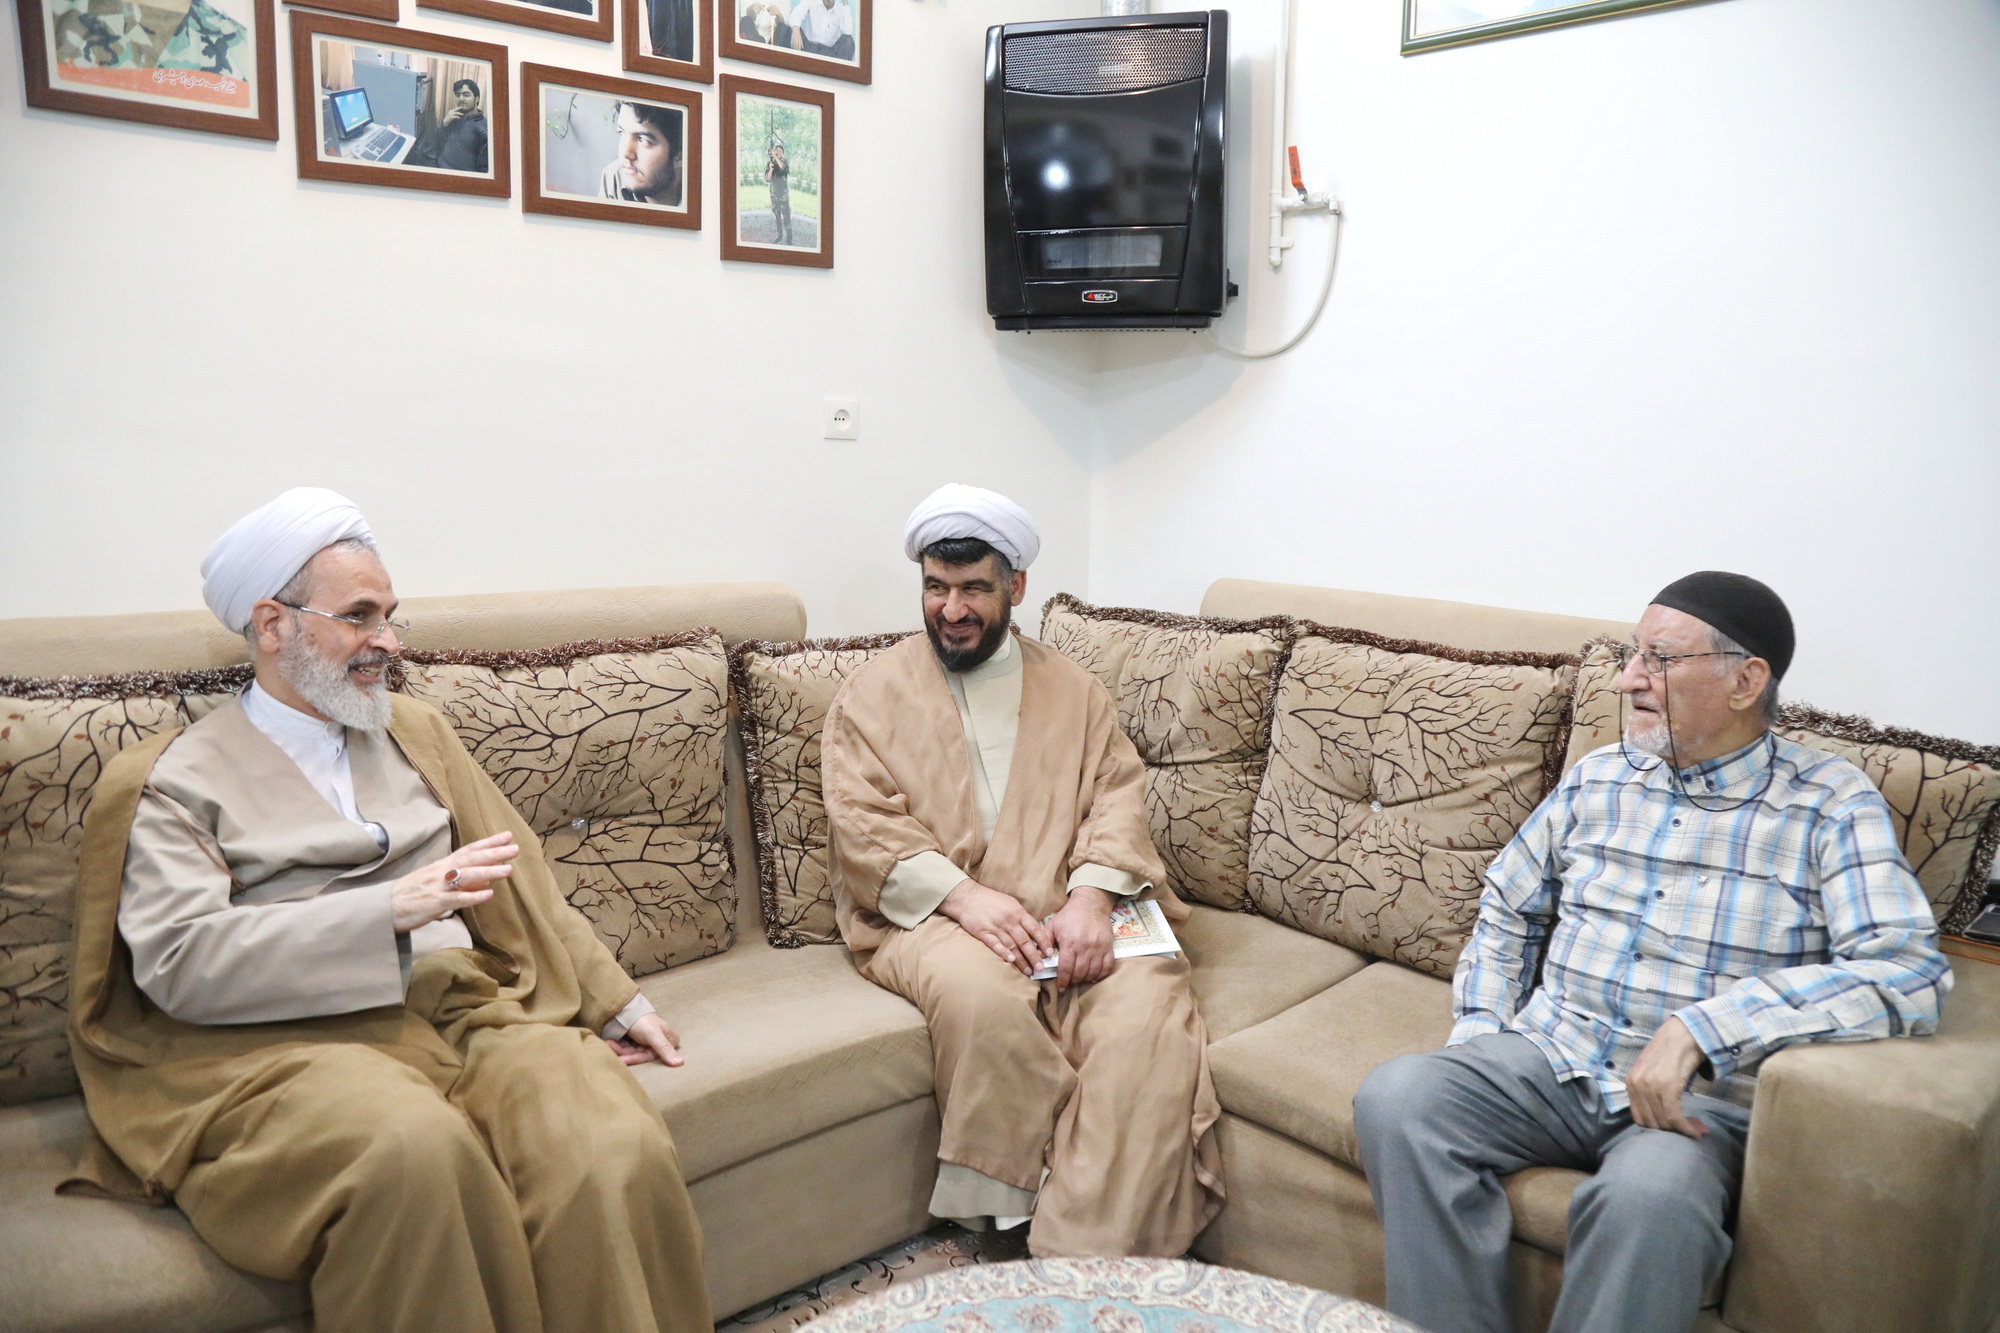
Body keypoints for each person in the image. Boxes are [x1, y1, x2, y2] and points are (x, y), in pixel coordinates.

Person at [63, 488, 709, 1333]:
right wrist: (386, 910)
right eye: (360, 617)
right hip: (283, 1043)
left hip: (456, 1008)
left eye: (390, 616)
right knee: (413, 1150)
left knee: (596, 1128)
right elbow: (184, 963)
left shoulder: (415, 732)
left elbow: (522, 878)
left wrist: (619, 1001)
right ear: (272, 624)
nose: (388, 643)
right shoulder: (171, 779)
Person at [1352, 571, 1952, 1333]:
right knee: (1399, 1097)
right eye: (1634, 655)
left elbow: (1909, 972)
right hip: (1550, 1055)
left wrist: (1703, 1028)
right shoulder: (1600, 774)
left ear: (1746, 679)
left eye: (1659, 659)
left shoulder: (1830, 803)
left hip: (1689, 1106)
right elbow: (1508, 900)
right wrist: (1482, 1031)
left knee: (1650, 1199)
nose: (1630, 678)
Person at [822, 483, 1223, 1259]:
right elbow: (863, 824)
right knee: (985, 998)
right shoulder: (869, 695)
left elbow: (1115, 796)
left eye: (973, 586)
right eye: (936, 587)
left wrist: (1091, 899)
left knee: (1146, 1017)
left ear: (1016, 586)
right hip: (933, 914)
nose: (951, 608)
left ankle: (1088, 1248)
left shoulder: (1074, 689)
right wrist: (966, 899)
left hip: (1071, 906)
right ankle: (1008, 1218)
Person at [601, 100, 682, 206]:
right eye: (622, 133)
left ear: (680, 156)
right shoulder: (613, 177)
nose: (626, 154)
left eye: (643, 140)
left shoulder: (706, 195)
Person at [432, 77, 488, 173]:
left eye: (466, 95)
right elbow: (438, 141)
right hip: (439, 164)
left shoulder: (483, 128)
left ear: (476, 98)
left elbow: (485, 169)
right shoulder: (453, 116)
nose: (461, 99)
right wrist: (444, 124)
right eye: (458, 95)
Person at [786, 0, 854, 60]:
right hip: (809, 48)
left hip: (830, 54)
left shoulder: (840, 7)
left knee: (848, 41)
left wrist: (845, 3)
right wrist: (796, 30)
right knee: (790, 29)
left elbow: (848, 30)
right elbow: (797, 13)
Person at [765, 136, 791, 245]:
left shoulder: (784, 162)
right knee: (777, 218)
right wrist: (770, 169)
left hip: (783, 196)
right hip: (774, 196)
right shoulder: (770, 163)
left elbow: (782, 169)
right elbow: (767, 179)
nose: (778, 152)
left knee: (786, 218)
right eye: (776, 151)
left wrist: (775, 156)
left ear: (783, 154)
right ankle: (779, 235)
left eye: (780, 151)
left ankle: (789, 237)